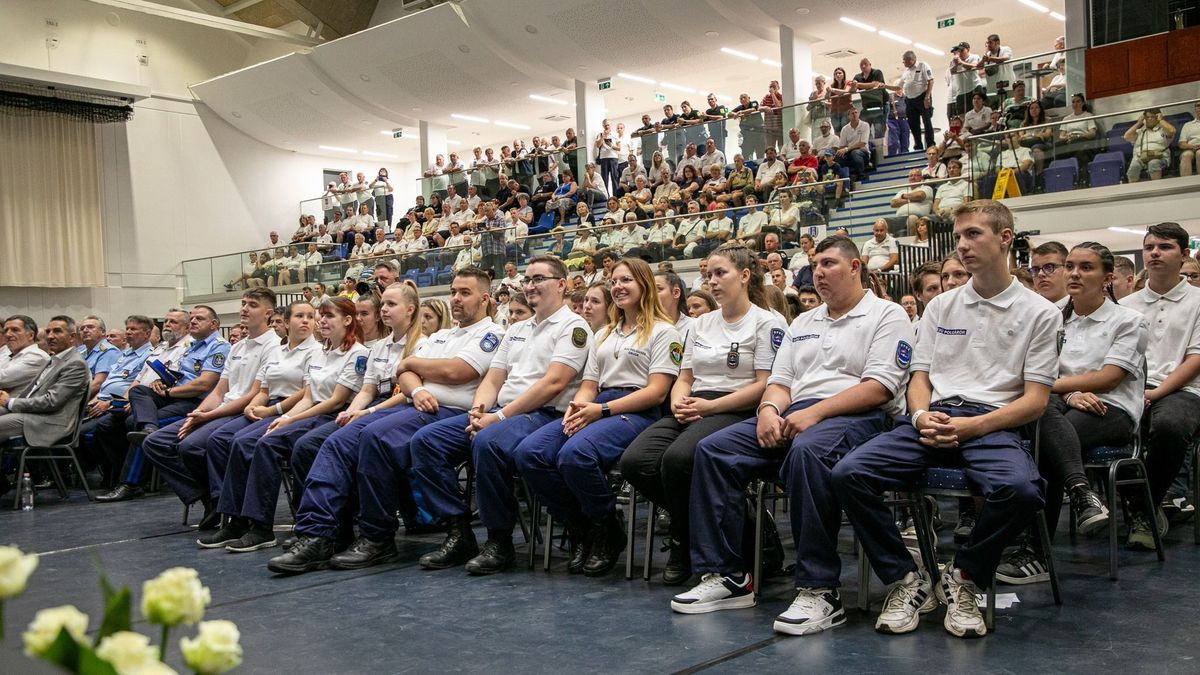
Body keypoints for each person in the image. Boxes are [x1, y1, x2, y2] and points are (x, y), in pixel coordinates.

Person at [833, 200, 1061, 639]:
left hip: (992, 421)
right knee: (848, 473)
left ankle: (965, 579)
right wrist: (919, 416)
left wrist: (972, 427)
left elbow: (1034, 402)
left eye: (974, 234)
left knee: (1022, 490)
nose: (963, 245)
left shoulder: (1040, 313)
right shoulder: (941, 307)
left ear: (1005, 238)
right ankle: (906, 579)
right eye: (959, 236)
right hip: (933, 416)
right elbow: (919, 379)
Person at [669, 235, 912, 630]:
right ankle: (729, 576)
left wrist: (812, 414)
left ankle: (820, 590)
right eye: (815, 265)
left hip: (859, 416)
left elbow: (879, 388)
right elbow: (780, 380)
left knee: (806, 452)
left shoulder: (886, 314)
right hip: (796, 414)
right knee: (713, 450)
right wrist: (767, 410)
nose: (818, 272)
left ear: (854, 268)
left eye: (829, 264)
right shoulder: (803, 321)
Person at [406, 256, 592, 574]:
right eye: (527, 279)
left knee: (488, 443)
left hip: (543, 413)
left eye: (538, 279)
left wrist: (499, 417)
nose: (530, 286)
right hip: (500, 412)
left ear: (561, 285)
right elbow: (493, 378)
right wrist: (479, 411)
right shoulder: (517, 328)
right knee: (426, 441)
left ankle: (499, 541)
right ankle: (458, 531)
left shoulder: (574, 326)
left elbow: (554, 383)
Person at [623, 245, 784, 584]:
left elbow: (765, 384)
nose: (711, 281)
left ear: (744, 276)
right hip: (695, 403)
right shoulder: (699, 325)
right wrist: (680, 401)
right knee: (636, 461)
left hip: (738, 407)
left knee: (679, 459)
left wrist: (711, 407)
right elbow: (684, 378)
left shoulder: (766, 322)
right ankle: (720, 524)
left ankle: (685, 543)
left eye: (720, 273)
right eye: (708, 274)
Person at [516, 258, 681, 576]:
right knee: (531, 452)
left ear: (644, 284)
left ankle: (606, 528)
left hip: (637, 410)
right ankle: (581, 526)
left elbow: (657, 391)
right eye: (615, 281)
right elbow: (589, 384)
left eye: (627, 280)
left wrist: (600, 411)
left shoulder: (664, 332)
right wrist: (578, 409)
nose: (619, 286)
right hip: (597, 404)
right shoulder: (604, 333)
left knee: (575, 455)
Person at [996, 242, 1147, 584]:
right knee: (1040, 420)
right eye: (1071, 266)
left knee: (1044, 442)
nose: (1075, 273)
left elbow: (1109, 378)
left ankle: (1037, 553)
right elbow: (1027, 370)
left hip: (1111, 409)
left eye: (1086, 267)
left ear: (1108, 278)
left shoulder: (1130, 321)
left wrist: (1065, 388)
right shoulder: (1052, 314)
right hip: (1060, 402)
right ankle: (1081, 494)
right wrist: (1070, 391)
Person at [262, 285, 442, 572]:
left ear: (410, 309)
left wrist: (365, 412)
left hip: (400, 407)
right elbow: (368, 389)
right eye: (382, 304)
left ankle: (337, 534)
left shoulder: (425, 344)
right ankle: (325, 531)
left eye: (391, 304)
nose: (383, 309)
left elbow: (406, 392)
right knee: (316, 443)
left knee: (352, 440)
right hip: (373, 406)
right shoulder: (380, 347)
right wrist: (353, 410)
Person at [212, 298, 369, 551]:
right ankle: (242, 520)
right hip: (310, 411)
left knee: (276, 445)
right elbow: (308, 396)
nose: (321, 321)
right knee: (252, 440)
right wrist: (285, 418)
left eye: (327, 316)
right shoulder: (323, 352)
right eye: (322, 316)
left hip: (333, 414)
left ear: (347, 321)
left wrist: (290, 418)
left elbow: (335, 400)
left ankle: (267, 525)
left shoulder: (357, 353)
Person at [135, 289, 280, 512]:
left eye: (252, 304)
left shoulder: (274, 345)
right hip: (220, 408)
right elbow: (219, 391)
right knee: (155, 442)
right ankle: (207, 496)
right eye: (243, 303)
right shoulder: (238, 346)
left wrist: (207, 415)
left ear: (268, 313)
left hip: (243, 411)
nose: (244, 308)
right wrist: (196, 415)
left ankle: (220, 503)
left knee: (191, 446)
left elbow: (254, 395)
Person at [1119, 222, 1200, 549]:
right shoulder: (1125, 307)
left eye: (1164, 247)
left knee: (1168, 426)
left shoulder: (1197, 300)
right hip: (1127, 389)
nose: (1154, 252)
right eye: (1149, 246)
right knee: (1082, 426)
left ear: (1183, 255)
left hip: (1182, 391)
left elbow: (1195, 359)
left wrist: (1153, 393)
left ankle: (1143, 509)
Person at [0, 315, 91, 495]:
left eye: (57, 331)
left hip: (51, 423)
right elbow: (34, 394)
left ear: (72, 337)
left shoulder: (75, 364)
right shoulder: (54, 359)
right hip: (34, 416)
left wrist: (11, 402)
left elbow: (52, 402)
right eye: (48, 331)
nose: (50, 336)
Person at [0, 315, 50, 396]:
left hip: (16, 407)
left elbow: (2, 379)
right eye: (5, 331)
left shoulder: (37, 356)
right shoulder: (11, 355)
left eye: (15, 330)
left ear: (31, 335)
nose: (8, 334)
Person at [1124, 108, 1177, 182]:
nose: (1150, 119)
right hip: (1141, 157)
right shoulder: (1140, 131)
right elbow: (1126, 137)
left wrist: (1161, 120)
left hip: (1159, 157)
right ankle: (1134, 189)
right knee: (1134, 166)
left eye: (1152, 117)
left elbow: (1172, 131)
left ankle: (1157, 188)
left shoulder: (1163, 129)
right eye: (1148, 117)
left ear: (1157, 117)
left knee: (1153, 163)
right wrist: (1139, 123)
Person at [77, 316, 119, 400]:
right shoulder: (80, 350)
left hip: (87, 399)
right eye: (82, 329)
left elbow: (98, 384)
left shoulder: (109, 352)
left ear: (103, 332)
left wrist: (72, 400)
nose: (85, 330)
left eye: (90, 327)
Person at [835, 108, 872, 181]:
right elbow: (842, 146)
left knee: (855, 153)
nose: (855, 114)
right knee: (839, 155)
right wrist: (842, 150)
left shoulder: (865, 125)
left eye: (856, 112)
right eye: (852, 113)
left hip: (863, 152)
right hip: (849, 152)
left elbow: (862, 143)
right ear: (848, 116)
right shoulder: (845, 129)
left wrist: (847, 149)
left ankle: (861, 175)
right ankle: (846, 177)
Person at [1179, 101, 1200, 177]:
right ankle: (1185, 184)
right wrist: (1193, 147)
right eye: (1198, 105)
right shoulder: (1188, 125)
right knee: (1186, 155)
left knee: (1199, 153)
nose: (1199, 107)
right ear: (1195, 108)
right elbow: (1181, 144)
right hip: (1191, 148)